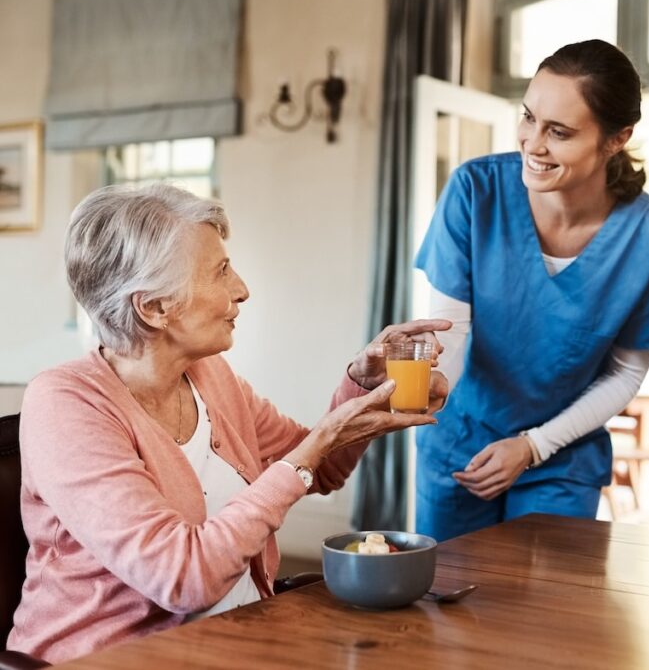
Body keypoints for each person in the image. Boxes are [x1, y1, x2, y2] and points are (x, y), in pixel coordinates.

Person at [7, 184, 450, 663]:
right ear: (154, 308)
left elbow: (316, 467)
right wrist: (315, 447)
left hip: (239, 644)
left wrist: (363, 389)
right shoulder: (65, 404)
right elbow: (183, 579)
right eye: (220, 271)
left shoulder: (209, 376)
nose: (241, 289)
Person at [414, 39, 649, 541]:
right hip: (460, 442)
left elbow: (625, 374)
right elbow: (451, 330)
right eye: (528, 118)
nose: (532, 143)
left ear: (617, 138)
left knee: (543, 590)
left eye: (559, 132)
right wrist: (425, 388)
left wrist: (534, 445)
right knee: (446, 585)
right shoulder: (475, 191)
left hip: (561, 457)